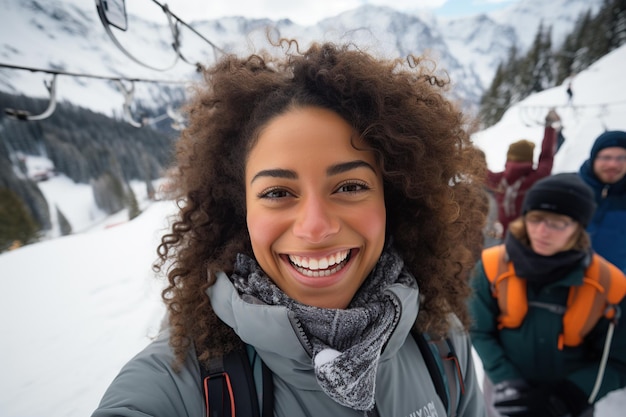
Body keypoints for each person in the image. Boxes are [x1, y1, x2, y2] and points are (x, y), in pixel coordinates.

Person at [91, 40, 488, 416]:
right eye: (278, 192)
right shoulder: (181, 383)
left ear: (393, 199)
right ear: (239, 210)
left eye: (350, 186)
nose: (316, 227)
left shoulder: (442, 342)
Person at [469, 173, 626, 417]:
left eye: (558, 222)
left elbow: (618, 359)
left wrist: (572, 394)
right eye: (536, 219)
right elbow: (478, 329)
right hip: (507, 395)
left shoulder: (609, 284)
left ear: (578, 227)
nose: (542, 231)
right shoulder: (491, 267)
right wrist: (506, 380)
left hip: (570, 404)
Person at [486, 109, 560, 238]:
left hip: (502, 235)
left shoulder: (498, 178)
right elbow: (547, 156)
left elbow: (478, 171)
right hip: (527, 237)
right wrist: (549, 128)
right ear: (530, 158)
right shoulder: (537, 177)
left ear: (509, 156)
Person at [578, 130, 626, 273]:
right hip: (570, 285)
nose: (613, 164)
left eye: (621, 158)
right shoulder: (571, 191)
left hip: (619, 287)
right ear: (593, 159)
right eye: (606, 157)